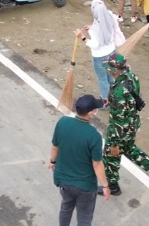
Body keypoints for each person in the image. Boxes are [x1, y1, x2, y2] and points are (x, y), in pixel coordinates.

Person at [102, 54, 149, 196]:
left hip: (120, 128)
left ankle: (112, 186)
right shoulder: (131, 76)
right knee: (129, 148)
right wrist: (111, 101)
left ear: (114, 71)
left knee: (111, 156)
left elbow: (119, 119)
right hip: (132, 123)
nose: (107, 70)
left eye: (109, 68)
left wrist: (114, 142)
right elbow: (131, 99)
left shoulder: (119, 91)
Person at [48, 94, 111, 226]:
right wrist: (105, 186)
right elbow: (97, 164)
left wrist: (52, 162)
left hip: (63, 181)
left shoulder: (63, 122)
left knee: (65, 208)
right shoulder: (94, 136)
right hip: (85, 186)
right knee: (84, 217)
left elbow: (55, 147)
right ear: (91, 113)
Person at [75, 2, 122, 104]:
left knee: (102, 80)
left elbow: (95, 45)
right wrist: (92, 27)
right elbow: (103, 28)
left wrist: (82, 37)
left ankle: (105, 102)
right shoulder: (110, 19)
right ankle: (117, 95)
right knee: (111, 76)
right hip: (112, 53)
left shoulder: (95, 30)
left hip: (100, 58)